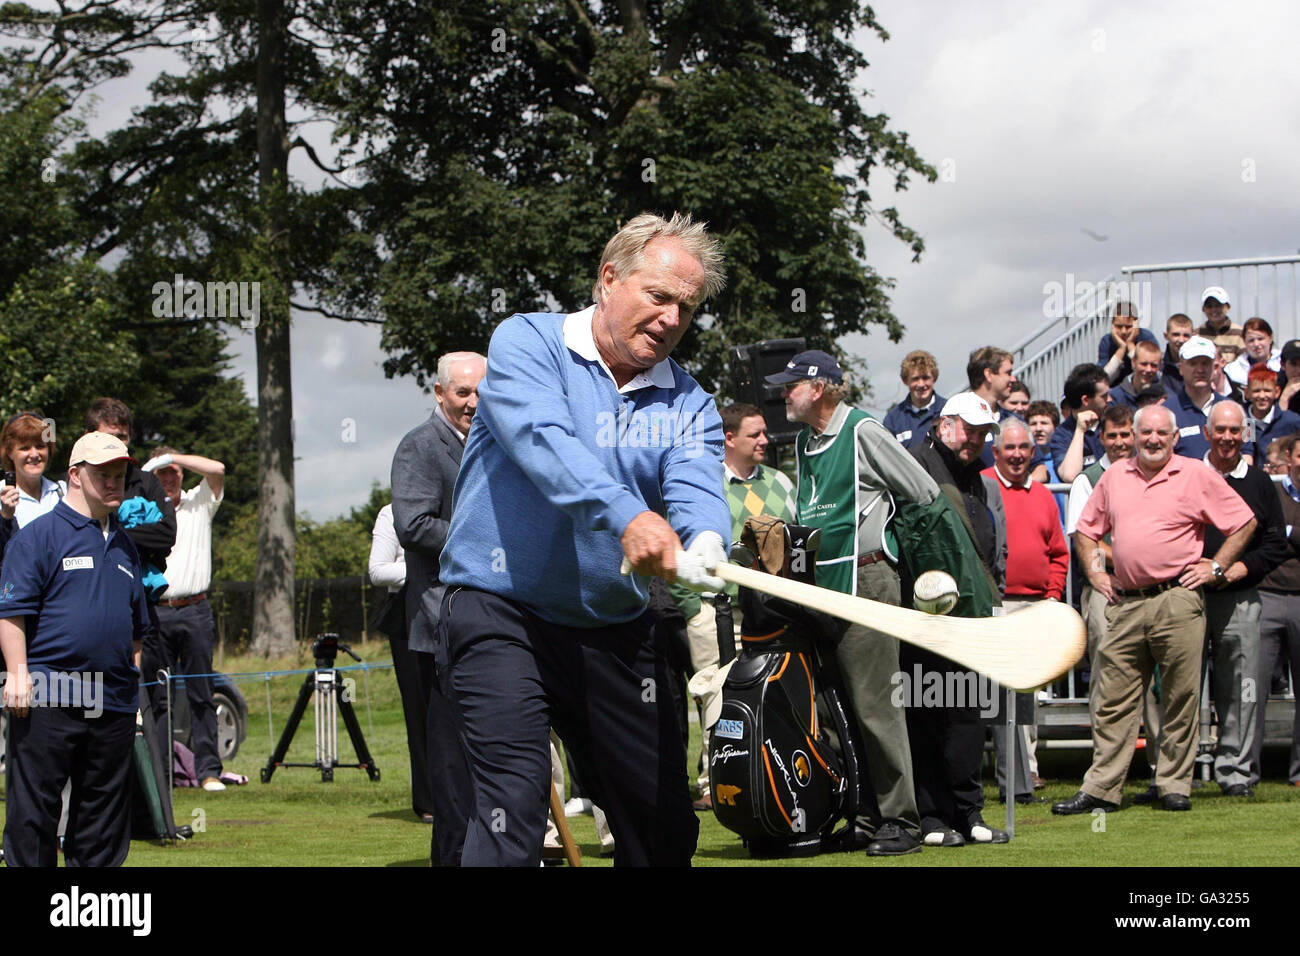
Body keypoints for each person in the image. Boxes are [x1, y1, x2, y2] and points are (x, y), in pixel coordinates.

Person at [438, 212, 731, 867]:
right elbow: (545, 443)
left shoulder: (689, 404)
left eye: (686, 308)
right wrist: (628, 517)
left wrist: (707, 536)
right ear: (609, 279)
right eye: (658, 296)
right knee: (510, 811)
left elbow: (694, 483)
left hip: (614, 623)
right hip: (499, 609)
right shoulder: (526, 344)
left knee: (661, 830)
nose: (671, 318)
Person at [772, 348, 939, 855]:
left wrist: (889, 544)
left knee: (876, 708)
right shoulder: (804, 442)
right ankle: (865, 815)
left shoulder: (863, 430)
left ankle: (902, 821)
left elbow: (923, 490)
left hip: (868, 581)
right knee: (838, 707)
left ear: (819, 388)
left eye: (791, 385)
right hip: (822, 589)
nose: (783, 392)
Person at [1054, 404, 1256, 815]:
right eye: (1145, 432)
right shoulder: (1114, 476)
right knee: (1113, 698)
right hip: (1126, 601)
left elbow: (1244, 522)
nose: (1152, 440)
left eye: (1161, 434)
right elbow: (1087, 531)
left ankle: (1173, 785)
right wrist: (1096, 576)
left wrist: (1216, 566)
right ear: (1135, 433)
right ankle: (1102, 788)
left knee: (1182, 696)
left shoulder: (1195, 474)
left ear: (1174, 437)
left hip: (1177, 599)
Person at [0, 432, 148, 866]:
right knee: (34, 814)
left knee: (101, 823)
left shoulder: (125, 546)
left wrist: (133, 693)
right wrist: (18, 674)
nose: (114, 482)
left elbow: (137, 629)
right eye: (104, 474)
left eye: (120, 475)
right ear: (75, 476)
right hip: (48, 697)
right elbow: (10, 612)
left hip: (113, 704)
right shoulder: (38, 536)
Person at [674, 401, 795, 810]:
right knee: (716, 691)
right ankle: (716, 780)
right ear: (728, 438)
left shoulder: (781, 483)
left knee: (772, 691)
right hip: (715, 608)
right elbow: (679, 547)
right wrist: (692, 608)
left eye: (764, 433)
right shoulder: (703, 485)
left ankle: (762, 770)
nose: (765, 440)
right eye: (754, 434)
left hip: (772, 611)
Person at [390, 350, 485, 864]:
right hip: (440, 622)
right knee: (449, 764)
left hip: (488, 620)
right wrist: (489, 542)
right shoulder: (420, 446)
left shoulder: (490, 442)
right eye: (463, 392)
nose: (473, 402)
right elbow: (414, 526)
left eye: (480, 392)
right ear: (440, 393)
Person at [909, 393, 1009, 845]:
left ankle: (969, 813)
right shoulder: (915, 464)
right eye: (970, 430)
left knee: (969, 719)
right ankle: (931, 816)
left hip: (973, 618)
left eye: (984, 433)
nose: (976, 440)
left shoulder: (979, 479)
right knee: (927, 714)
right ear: (944, 423)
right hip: (924, 619)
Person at [1196, 402, 1288, 796]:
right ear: (1207, 432)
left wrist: (1242, 568)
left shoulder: (1258, 483)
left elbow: (1274, 543)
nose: (1228, 438)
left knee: (1244, 687)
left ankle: (1235, 772)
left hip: (1241, 598)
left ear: (1246, 435)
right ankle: (1175, 775)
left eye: (1235, 431)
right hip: (1191, 597)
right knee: (1183, 687)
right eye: (1221, 430)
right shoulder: (1187, 475)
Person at [983, 419, 1067, 803]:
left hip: (1035, 606)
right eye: (1009, 448)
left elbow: (1059, 553)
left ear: (1032, 453)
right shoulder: (982, 486)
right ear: (996, 451)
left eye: (1023, 449)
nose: (1016, 455)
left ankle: (1026, 774)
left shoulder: (1044, 496)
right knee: (998, 698)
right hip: (996, 605)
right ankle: (1010, 780)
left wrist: (1052, 597)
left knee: (1025, 699)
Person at [141, 445, 227, 792]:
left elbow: (217, 468)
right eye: (162, 473)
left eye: (174, 472)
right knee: (156, 697)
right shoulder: (146, 511)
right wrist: (154, 467)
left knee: (201, 692)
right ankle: (160, 772)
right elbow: (138, 480)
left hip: (194, 609)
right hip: (156, 611)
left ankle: (208, 771)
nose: (169, 478)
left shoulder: (198, 502)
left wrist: (174, 458)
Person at [1250, 434, 1300, 788]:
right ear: (1289, 459)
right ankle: (1243, 773)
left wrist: (1287, 533)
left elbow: (1280, 537)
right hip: (1266, 596)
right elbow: (1264, 537)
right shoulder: (1273, 492)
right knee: (1252, 689)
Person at [966, 346, 1047, 480]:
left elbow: (1041, 469)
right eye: (1008, 373)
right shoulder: (957, 418)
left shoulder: (1015, 421)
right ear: (989, 375)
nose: (1013, 379)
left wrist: (1013, 490)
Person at [0, 412, 66, 568]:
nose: (34, 454)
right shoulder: (2, 494)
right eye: (25, 448)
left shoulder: (63, 492)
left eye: (40, 446)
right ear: (10, 453)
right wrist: (5, 518)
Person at [1049, 363, 1110, 483]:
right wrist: (1080, 430)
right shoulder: (1062, 435)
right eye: (1104, 396)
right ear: (1085, 400)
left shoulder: (1113, 423)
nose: (1109, 399)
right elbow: (1070, 475)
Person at [1169, 336, 1226, 459]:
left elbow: (1249, 450)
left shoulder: (1235, 410)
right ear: (1180, 368)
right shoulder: (1166, 412)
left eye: (1205, 363)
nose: (1200, 370)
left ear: (1214, 368)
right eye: (1193, 363)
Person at [882, 350, 946, 449]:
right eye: (915, 379)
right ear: (905, 380)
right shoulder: (893, 419)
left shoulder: (949, 411)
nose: (921, 384)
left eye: (925, 378)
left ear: (934, 377)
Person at [1243, 366, 1300, 465]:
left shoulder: (1291, 421)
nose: (1262, 396)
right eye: (1256, 391)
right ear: (1247, 393)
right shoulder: (1244, 422)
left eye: (1267, 390)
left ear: (1277, 392)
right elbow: (1245, 452)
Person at [1098, 300, 1159, 386]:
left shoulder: (1147, 337)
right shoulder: (1106, 341)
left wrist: (1130, 345)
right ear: (1112, 325)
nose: (1123, 331)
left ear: (1136, 324)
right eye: (1119, 326)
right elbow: (1102, 381)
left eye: (1128, 327)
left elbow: (1152, 375)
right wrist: (1121, 349)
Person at [1225, 317, 1282, 391]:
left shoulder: (1283, 363)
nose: (1256, 344)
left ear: (1270, 338)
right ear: (1244, 342)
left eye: (1260, 339)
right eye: (1251, 340)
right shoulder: (1232, 370)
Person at [1111, 340, 1165, 409]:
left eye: (1153, 365)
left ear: (1159, 366)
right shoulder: (1117, 397)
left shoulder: (1166, 395)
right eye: (1144, 364)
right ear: (1133, 362)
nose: (1149, 369)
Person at [1161, 314, 1194, 389]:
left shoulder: (1200, 366)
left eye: (1186, 335)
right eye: (1176, 335)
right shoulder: (1158, 367)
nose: (1181, 340)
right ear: (1166, 336)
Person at [1276, 339, 1300, 415]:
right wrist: (1285, 397)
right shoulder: (1273, 386)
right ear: (1282, 365)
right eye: (1294, 364)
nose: (1299, 370)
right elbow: (1272, 425)